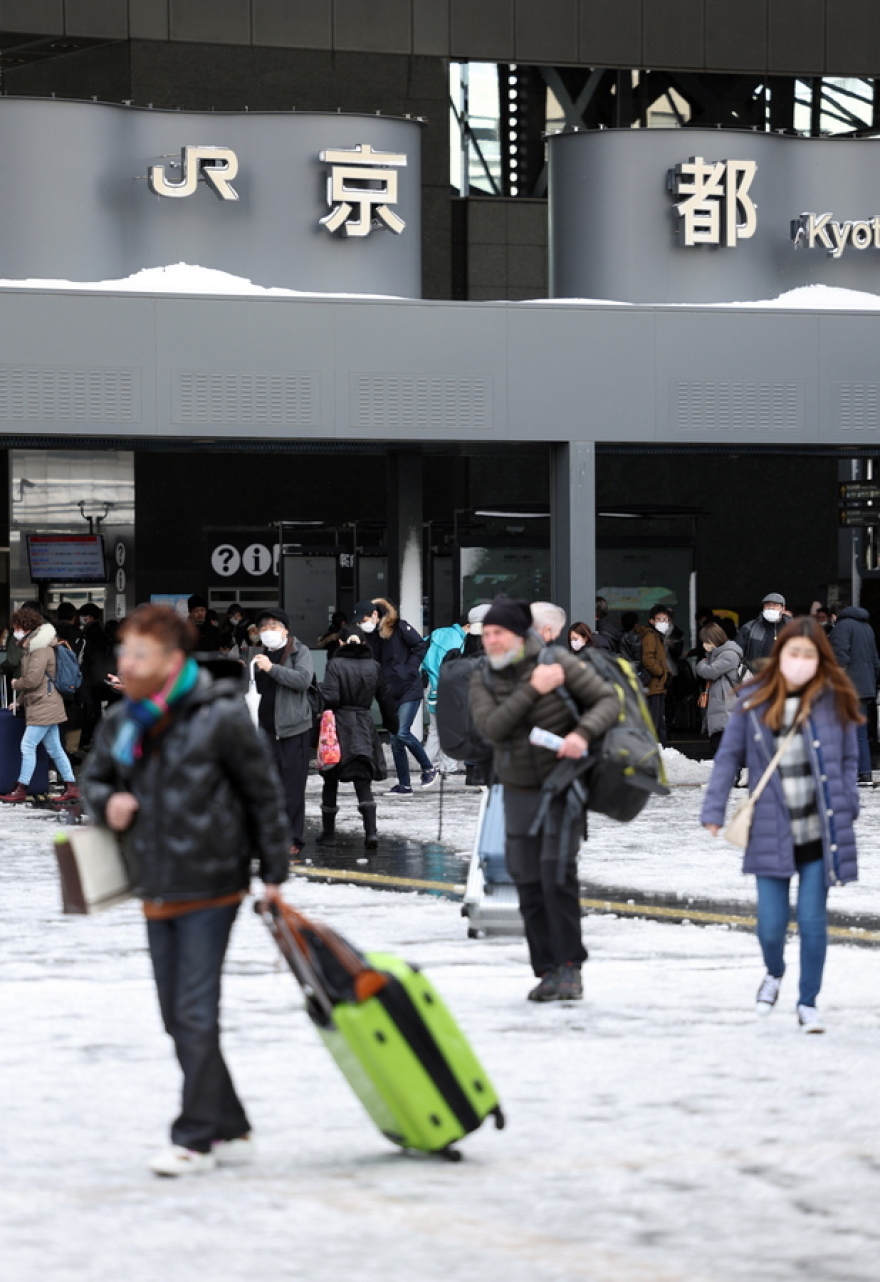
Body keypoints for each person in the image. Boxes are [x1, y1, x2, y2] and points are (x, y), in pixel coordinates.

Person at [82, 604, 289, 1176]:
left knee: (194, 1013)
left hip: (212, 882)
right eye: (124, 650)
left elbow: (263, 795)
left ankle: (194, 1137)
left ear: (171, 661)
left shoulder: (220, 715)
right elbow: (94, 779)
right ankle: (232, 1125)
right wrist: (108, 802)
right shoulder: (127, 719)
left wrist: (273, 875)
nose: (125, 661)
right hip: (154, 883)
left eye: (137, 652)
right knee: (177, 1017)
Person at [701, 617, 861, 1033]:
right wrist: (713, 808)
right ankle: (774, 971)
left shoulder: (835, 698)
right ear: (780, 656)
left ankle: (808, 1002)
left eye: (810, 654)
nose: (801, 661)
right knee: (770, 926)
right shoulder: (753, 698)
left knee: (812, 921)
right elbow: (728, 757)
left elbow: (848, 761)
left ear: (820, 658)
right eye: (794, 653)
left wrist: (848, 803)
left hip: (819, 828)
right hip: (771, 827)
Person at [469, 597, 618, 1002]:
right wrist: (532, 690)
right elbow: (492, 730)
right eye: (486, 635)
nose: (491, 641)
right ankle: (547, 969)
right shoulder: (482, 677)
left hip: (563, 784)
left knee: (557, 875)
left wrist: (581, 736)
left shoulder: (558, 663)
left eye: (498, 633)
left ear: (520, 636)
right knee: (527, 881)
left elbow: (608, 701)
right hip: (516, 790)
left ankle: (570, 967)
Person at [316, 626, 399, 849]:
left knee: (330, 780)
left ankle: (329, 834)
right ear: (363, 643)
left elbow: (331, 697)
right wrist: (392, 725)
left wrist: (320, 695)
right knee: (363, 781)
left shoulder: (335, 664)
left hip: (339, 727)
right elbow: (385, 698)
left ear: (341, 643)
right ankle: (371, 833)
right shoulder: (374, 666)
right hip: (363, 724)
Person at [353, 597, 433, 796]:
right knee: (395, 740)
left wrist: (410, 669)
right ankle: (404, 785)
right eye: (359, 622)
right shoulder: (370, 636)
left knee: (402, 733)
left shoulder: (399, 627)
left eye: (364, 620)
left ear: (374, 614)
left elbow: (420, 646)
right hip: (389, 692)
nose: (363, 624)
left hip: (409, 689)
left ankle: (428, 768)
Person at [0, 606, 79, 803]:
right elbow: (39, 680)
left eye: (17, 627)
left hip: (44, 704)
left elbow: (32, 680)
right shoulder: (34, 648)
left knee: (27, 745)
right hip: (45, 702)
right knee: (55, 749)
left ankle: (21, 788)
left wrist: (15, 684)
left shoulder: (40, 650)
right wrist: (18, 701)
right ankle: (72, 786)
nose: (14, 631)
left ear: (26, 628)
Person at [252, 608, 314, 857]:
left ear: (286, 630)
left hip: (293, 730)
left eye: (274, 626)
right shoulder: (259, 656)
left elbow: (303, 680)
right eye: (263, 628)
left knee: (292, 788)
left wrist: (271, 669)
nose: (268, 631)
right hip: (265, 731)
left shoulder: (300, 651)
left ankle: (293, 839)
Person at [829, 600, 880, 786]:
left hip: (848, 687)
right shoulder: (867, 627)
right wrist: (872, 685)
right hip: (866, 687)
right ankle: (864, 772)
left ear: (834, 616)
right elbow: (875, 661)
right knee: (860, 732)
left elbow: (839, 659)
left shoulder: (841, 627)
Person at [421, 613, 468, 774]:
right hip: (446, 687)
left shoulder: (438, 633)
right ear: (468, 626)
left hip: (432, 686)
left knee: (435, 729)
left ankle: (426, 763)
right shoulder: (456, 641)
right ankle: (448, 766)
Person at [695, 621, 744, 755]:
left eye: (705, 641)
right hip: (722, 706)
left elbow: (709, 671)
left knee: (724, 747)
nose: (704, 644)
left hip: (726, 707)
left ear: (712, 639)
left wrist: (700, 664)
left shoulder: (729, 655)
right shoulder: (719, 654)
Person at [77, 602, 108, 751]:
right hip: (96, 676)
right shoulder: (99, 630)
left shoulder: (92, 633)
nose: (82, 619)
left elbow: (90, 656)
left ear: (89, 617)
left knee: (91, 709)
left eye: (84, 616)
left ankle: (90, 740)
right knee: (94, 709)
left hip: (91, 676)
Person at [641, 604, 670, 746]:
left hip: (657, 686)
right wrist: (661, 672)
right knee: (655, 722)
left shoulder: (657, 636)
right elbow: (648, 659)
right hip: (653, 685)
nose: (663, 622)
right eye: (660, 619)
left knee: (659, 722)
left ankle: (662, 750)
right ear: (651, 621)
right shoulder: (650, 636)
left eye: (666, 619)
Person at [737, 592, 787, 673]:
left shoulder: (791, 628)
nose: (771, 608)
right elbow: (737, 653)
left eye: (775, 605)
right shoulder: (750, 628)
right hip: (756, 675)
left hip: (784, 675)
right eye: (767, 605)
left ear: (783, 609)